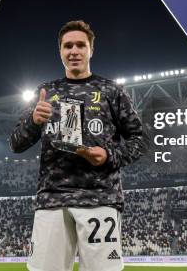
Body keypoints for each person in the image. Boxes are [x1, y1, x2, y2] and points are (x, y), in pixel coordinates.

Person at [10, 20, 148, 271]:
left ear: (91, 50)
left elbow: (140, 140)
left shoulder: (111, 91)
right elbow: (16, 144)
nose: (74, 51)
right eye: (68, 46)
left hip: (99, 198)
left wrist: (109, 155)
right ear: (60, 51)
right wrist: (33, 121)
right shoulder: (45, 91)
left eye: (80, 45)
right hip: (52, 199)